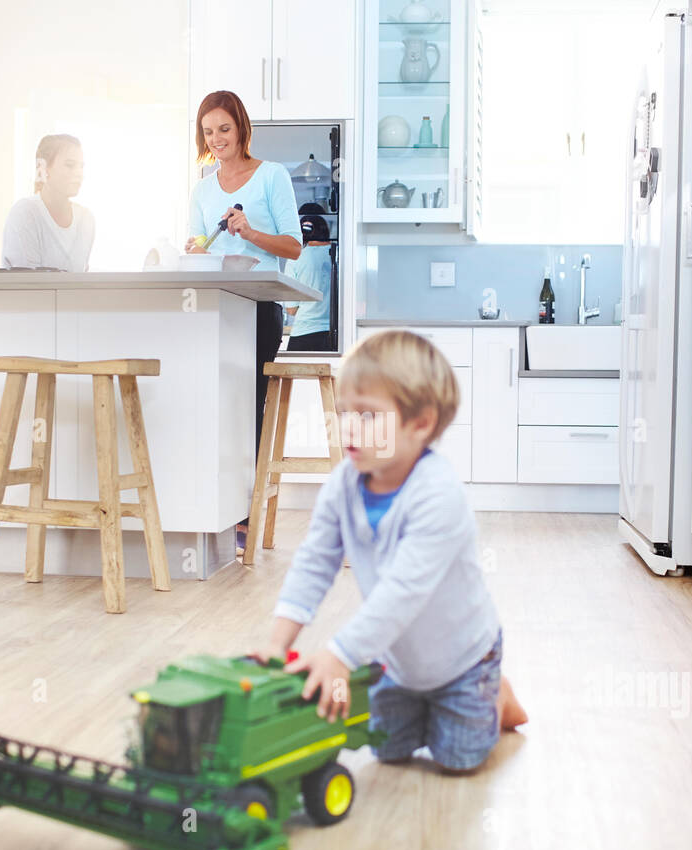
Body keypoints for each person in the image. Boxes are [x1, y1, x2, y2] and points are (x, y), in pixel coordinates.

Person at [250, 330, 528, 772]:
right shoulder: (343, 484)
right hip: (398, 657)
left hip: (463, 658)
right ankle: (421, 705)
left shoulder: (438, 494)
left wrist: (339, 653)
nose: (349, 428)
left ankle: (496, 695)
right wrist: (277, 645)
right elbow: (314, 562)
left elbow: (403, 591)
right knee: (388, 750)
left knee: (458, 759)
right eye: (345, 412)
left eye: (367, 415)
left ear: (420, 423)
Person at [185, 90, 303, 552]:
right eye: (208, 131)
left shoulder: (271, 176)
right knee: (215, 402)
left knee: (248, 405)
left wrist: (249, 231)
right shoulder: (202, 188)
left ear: (242, 128)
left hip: (258, 306)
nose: (217, 139)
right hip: (215, 309)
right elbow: (198, 244)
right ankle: (212, 506)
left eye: (224, 129)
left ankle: (247, 514)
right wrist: (195, 251)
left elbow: (294, 247)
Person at [2, 133, 94, 272]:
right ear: (45, 168)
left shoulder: (86, 219)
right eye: (70, 165)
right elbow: (30, 284)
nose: (79, 173)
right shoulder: (25, 213)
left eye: (81, 166)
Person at [284, 214, 333, 352]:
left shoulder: (295, 258)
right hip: (335, 334)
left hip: (304, 333)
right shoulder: (341, 254)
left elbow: (291, 309)